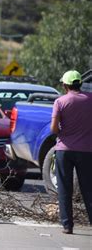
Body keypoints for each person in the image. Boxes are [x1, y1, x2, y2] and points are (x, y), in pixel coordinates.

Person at [50, 70, 92, 234]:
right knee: (88, 188)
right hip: (87, 151)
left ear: (65, 85)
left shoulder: (60, 101)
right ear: (80, 83)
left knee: (64, 188)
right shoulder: (90, 100)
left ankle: (67, 225)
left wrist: (62, 133)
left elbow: (54, 128)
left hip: (64, 150)